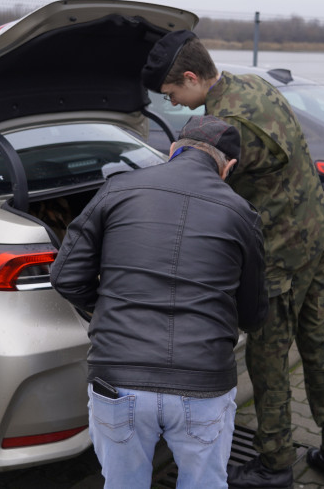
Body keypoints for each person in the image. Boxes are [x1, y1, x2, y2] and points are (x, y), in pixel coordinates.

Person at [142, 32, 324, 489]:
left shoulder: (227, 124)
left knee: (268, 359)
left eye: (172, 93)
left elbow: (206, 192)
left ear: (193, 77)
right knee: (319, 349)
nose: (174, 103)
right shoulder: (255, 85)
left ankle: (275, 463)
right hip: (317, 236)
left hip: (279, 257)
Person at [51, 115, 268, 489]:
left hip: (118, 376)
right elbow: (253, 315)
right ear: (228, 167)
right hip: (203, 380)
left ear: (173, 150)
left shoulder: (116, 189)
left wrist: (107, 309)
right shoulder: (241, 214)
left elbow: (65, 276)